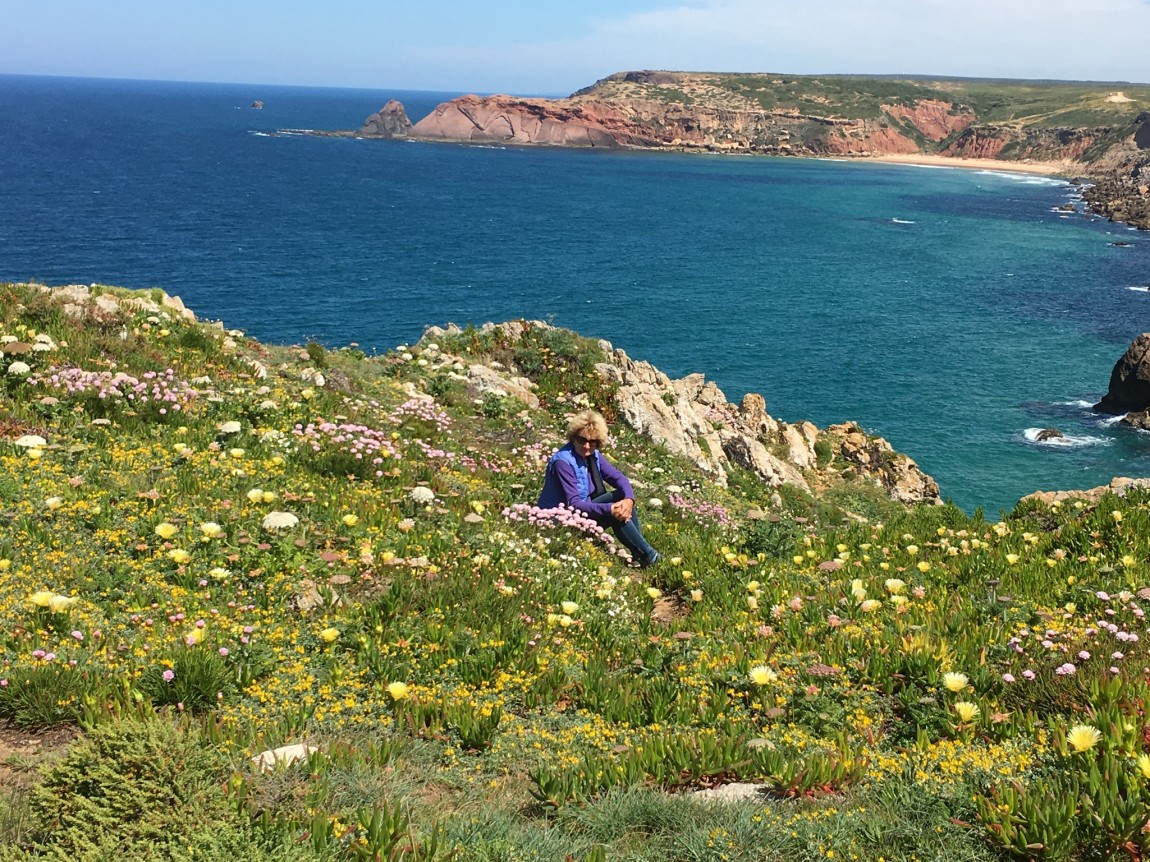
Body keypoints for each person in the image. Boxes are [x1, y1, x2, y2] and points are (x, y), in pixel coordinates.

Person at [538, 410, 660, 567]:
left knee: (622, 501)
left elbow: (619, 478)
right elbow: (574, 504)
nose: (587, 446)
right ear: (574, 438)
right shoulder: (563, 463)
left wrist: (629, 500)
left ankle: (641, 554)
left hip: (581, 512)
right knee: (616, 509)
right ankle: (649, 556)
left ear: (598, 442)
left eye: (592, 442)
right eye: (582, 440)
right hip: (560, 522)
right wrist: (610, 509)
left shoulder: (593, 456)